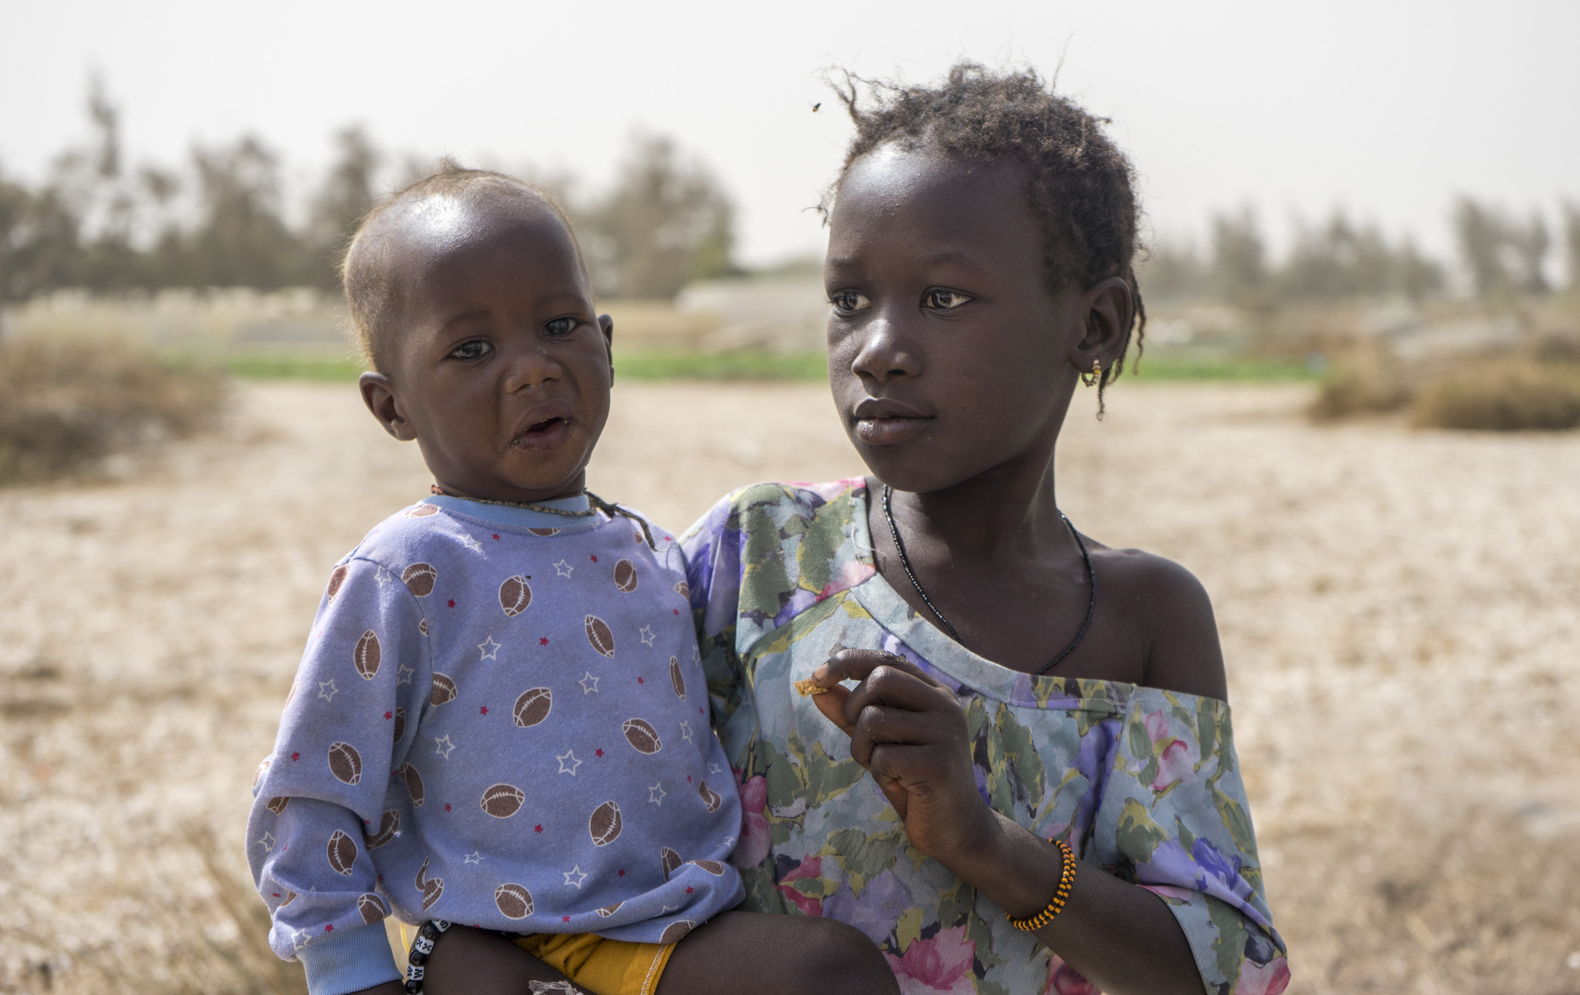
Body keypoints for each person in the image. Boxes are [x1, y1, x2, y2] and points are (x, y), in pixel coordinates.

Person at [427, 64, 1289, 995]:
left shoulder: (1144, 619)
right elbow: (572, 783)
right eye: (848, 301)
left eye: (944, 299)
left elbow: (1226, 970)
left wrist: (983, 842)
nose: (877, 348)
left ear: (1095, 323)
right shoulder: (757, 560)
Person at [244, 168, 900, 995]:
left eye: (560, 325)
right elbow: (309, 791)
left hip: (670, 931)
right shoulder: (407, 569)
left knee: (833, 973)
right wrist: (347, 970)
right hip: (495, 942)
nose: (531, 369)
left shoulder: (654, 555)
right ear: (392, 407)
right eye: (471, 349)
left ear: (609, 347)